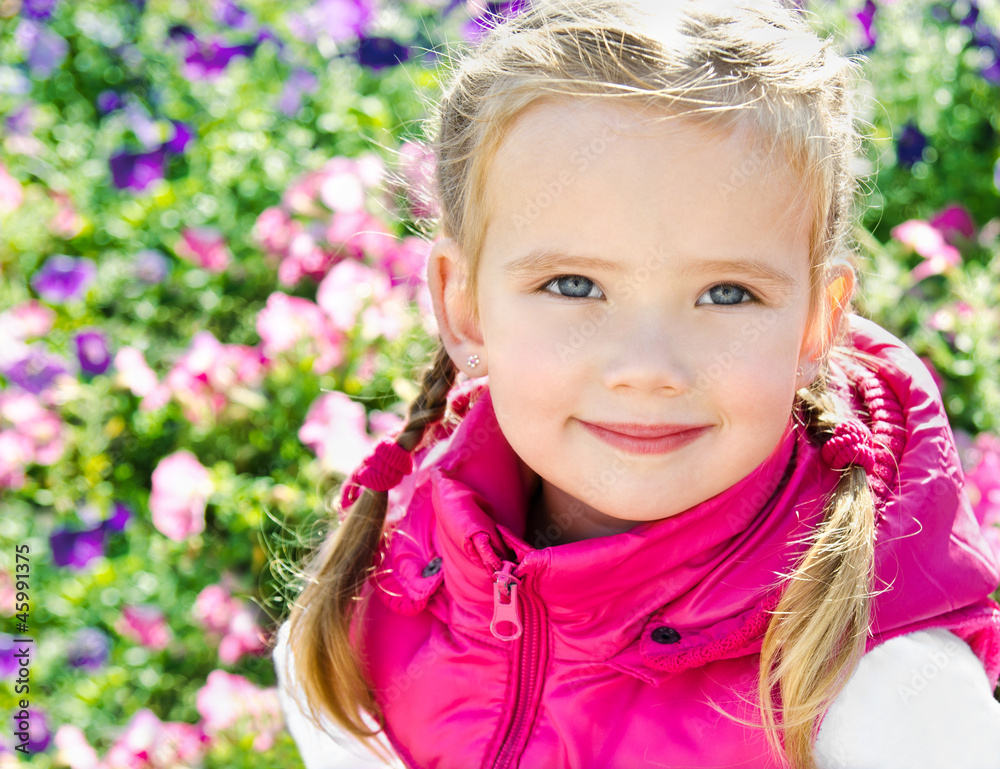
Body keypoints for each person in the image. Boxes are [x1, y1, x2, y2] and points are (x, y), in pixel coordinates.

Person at [273, 1, 1000, 766]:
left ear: (818, 321)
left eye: (726, 293)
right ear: (464, 304)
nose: (648, 365)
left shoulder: (881, 693)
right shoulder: (383, 608)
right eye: (574, 284)